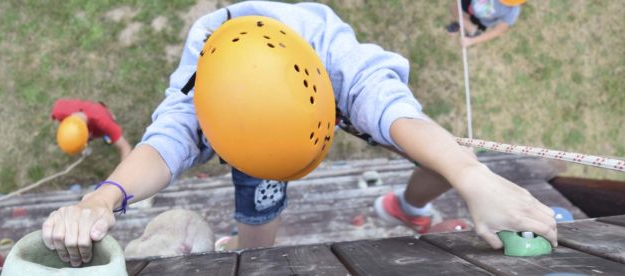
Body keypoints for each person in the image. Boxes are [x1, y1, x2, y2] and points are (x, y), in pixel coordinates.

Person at [41, 1, 555, 267]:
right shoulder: (207, 89)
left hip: (306, 78)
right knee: (260, 211)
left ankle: (408, 209)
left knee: (446, 152)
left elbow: (395, 111)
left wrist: (472, 176)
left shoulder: (343, 67)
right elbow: (166, 143)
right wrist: (101, 198)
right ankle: (249, 249)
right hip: (251, 105)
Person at [51, 99, 132, 161]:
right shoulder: (59, 112)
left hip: (102, 119)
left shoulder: (104, 122)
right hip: (91, 127)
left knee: (110, 130)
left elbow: (125, 147)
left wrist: (122, 176)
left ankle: (108, 134)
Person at [446, 0, 525, 47]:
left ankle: (471, 31)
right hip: (471, 2)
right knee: (455, 9)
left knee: (465, 20)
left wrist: (471, 41)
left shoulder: (512, 11)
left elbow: (497, 31)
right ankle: (463, 25)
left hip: (481, 19)